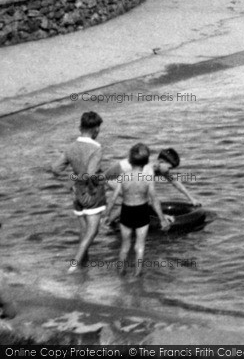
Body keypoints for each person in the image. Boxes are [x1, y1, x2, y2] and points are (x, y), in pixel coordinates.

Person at [103, 143, 170, 276]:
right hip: (142, 212)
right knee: (140, 246)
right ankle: (137, 274)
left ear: (130, 160)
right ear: (146, 162)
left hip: (127, 212)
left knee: (125, 245)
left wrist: (106, 215)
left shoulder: (124, 176)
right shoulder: (147, 177)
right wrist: (162, 219)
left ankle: (121, 273)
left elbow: (113, 198)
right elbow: (154, 199)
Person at [52, 112, 106, 273]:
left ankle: (84, 267)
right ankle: (74, 266)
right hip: (92, 192)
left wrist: (70, 182)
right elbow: (90, 174)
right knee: (93, 230)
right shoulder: (96, 148)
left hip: (76, 191)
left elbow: (55, 169)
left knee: (83, 231)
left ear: (80, 128)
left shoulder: (70, 147)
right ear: (96, 129)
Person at [103, 148, 200, 224]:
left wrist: (192, 199)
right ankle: (108, 223)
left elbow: (175, 183)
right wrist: (163, 216)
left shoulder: (160, 168)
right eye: (169, 167)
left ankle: (110, 222)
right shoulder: (147, 169)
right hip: (111, 178)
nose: (169, 171)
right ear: (161, 162)